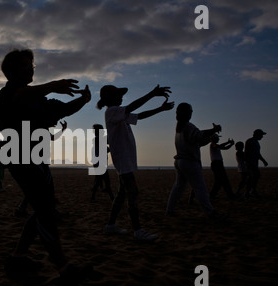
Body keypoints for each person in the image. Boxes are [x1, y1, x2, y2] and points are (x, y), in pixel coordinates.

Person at [0, 48, 92, 281]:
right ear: (13, 71)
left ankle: (17, 257)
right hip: (20, 157)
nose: (31, 69)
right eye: (27, 66)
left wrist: (83, 100)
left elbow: (62, 108)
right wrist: (53, 85)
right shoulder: (7, 94)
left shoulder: (39, 99)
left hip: (38, 159)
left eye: (32, 66)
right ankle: (64, 268)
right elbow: (20, 97)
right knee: (45, 211)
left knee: (42, 209)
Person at [97, 84, 174, 242]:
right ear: (110, 98)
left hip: (124, 158)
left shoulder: (119, 113)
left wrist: (160, 109)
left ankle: (110, 225)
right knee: (133, 193)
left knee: (122, 193)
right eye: (118, 94)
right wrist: (152, 93)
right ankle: (138, 230)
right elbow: (132, 107)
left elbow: (139, 115)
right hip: (122, 159)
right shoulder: (112, 111)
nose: (121, 96)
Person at [165, 103, 227, 220]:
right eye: (191, 111)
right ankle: (210, 213)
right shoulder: (188, 126)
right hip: (189, 162)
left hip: (180, 162)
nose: (192, 113)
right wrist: (214, 129)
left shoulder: (180, 128)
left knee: (178, 187)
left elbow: (197, 141)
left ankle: (170, 210)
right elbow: (199, 135)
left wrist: (210, 137)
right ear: (188, 113)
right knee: (200, 188)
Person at [90, 123, 114, 202]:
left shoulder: (98, 139)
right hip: (100, 163)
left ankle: (94, 196)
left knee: (100, 180)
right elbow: (106, 148)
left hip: (98, 163)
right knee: (104, 180)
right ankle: (111, 197)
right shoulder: (98, 139)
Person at [209, 134, 235, 200]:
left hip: (217, 164)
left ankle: (213, 195)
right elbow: (223, 147)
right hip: (217, 164)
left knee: (219, 181)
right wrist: (230, 143)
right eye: (217, 138)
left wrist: (229, 143)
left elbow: (222, 146)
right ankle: (230, 195)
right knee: (223, 180)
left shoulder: (215, 145)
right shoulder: (213, 145)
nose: (218, 139)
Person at [244, 129, 268, 198]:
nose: (262, 137)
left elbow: (258, 154)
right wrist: (247, 163)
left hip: (254, 163)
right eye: (261, 135)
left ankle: (252, 190)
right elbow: (246, 152)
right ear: (257, 134)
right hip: (250, 163)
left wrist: (263, 160)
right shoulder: (250, 141)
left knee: (255, 176)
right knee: (251, 177)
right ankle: (248, 192)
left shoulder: (256, 142)